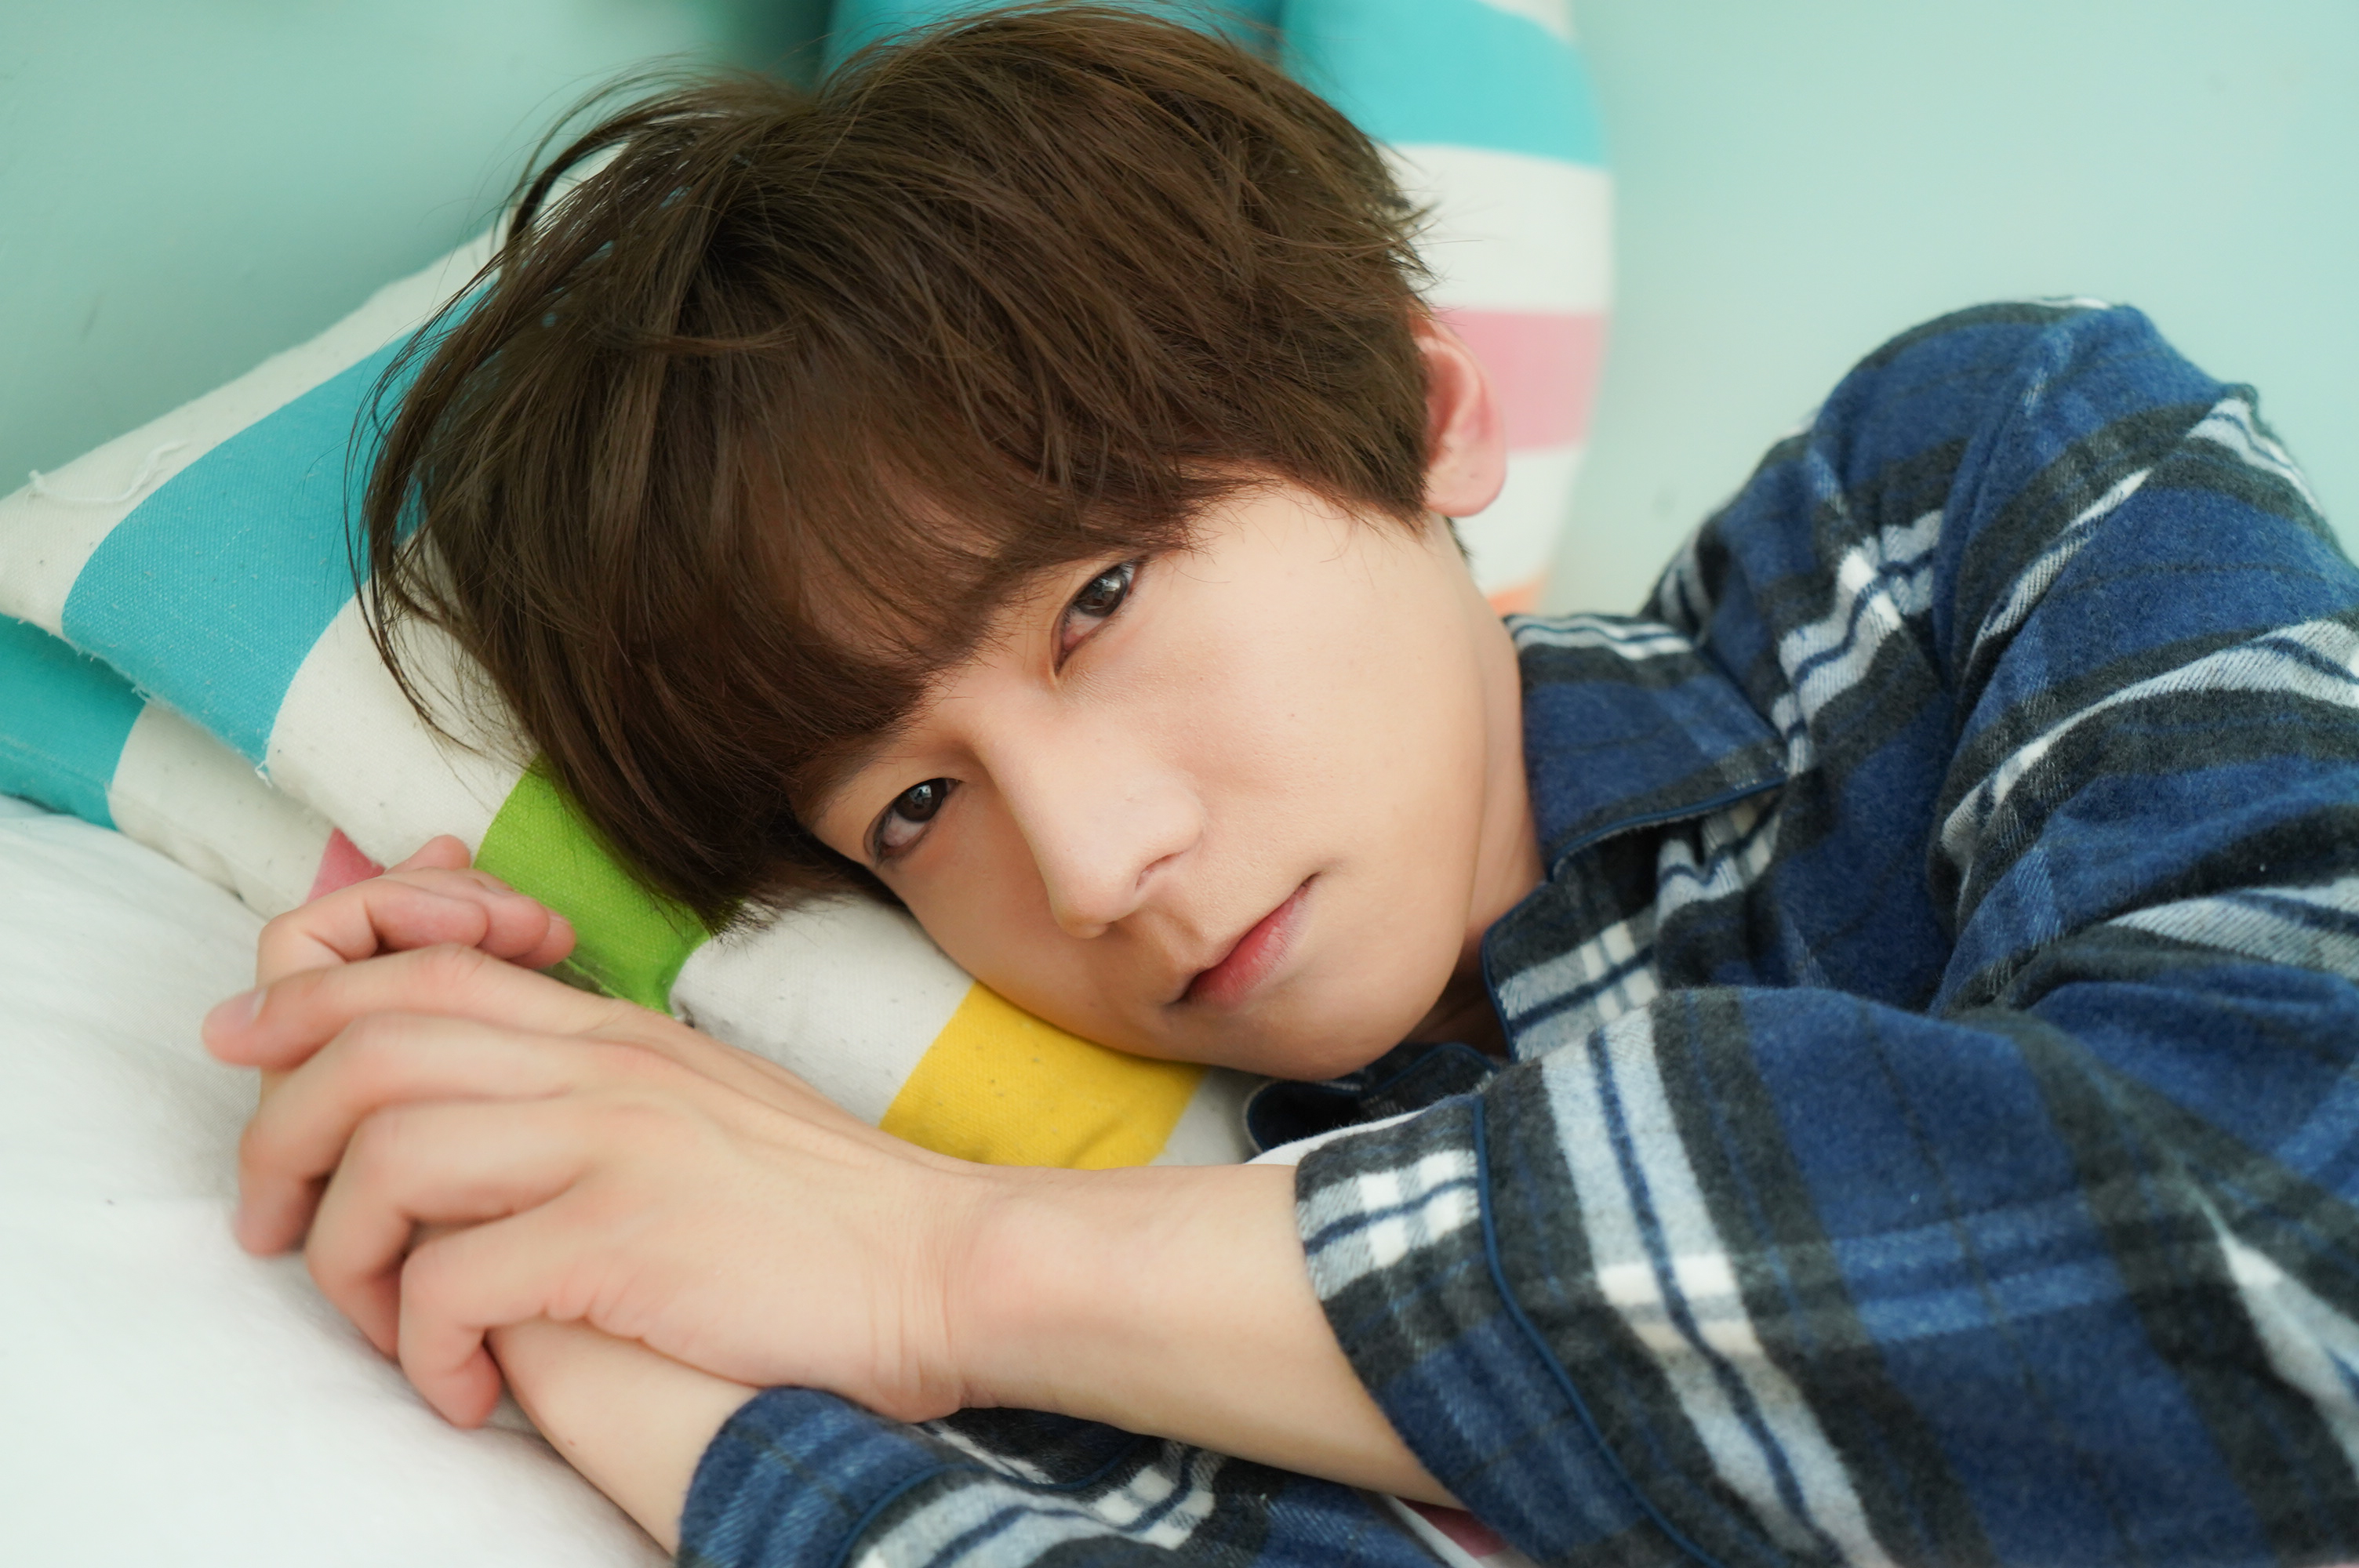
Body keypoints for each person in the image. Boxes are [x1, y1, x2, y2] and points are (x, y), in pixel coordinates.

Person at [198, 8, 2359, 1565]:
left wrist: (955, 1267)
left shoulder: (1970, 495)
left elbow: (2284, 1259)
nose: (1096, 866)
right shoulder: (1116, 1212)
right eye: (912, 813)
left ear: (1424, 419)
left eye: (1099, 602)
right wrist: (540, 1256)